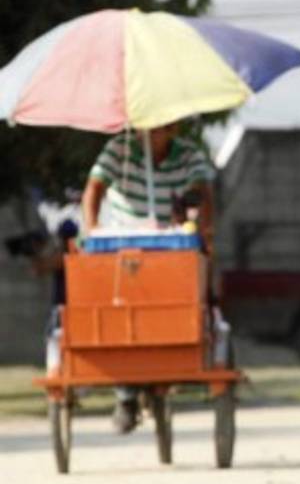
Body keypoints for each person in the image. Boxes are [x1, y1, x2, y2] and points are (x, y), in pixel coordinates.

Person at [80, 121, 216, 433]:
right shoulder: (119, 149)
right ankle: (125, 393)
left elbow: (202, 192)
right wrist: (91, 230)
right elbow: (94, 189)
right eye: (151, 127)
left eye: (164, 127)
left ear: (173, 129)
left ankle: (171, 367)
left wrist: (198, 218)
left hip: (171, 243)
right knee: (119, 312)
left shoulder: (189, 155)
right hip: (121, 244)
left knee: (177, 304)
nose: (157, 132)